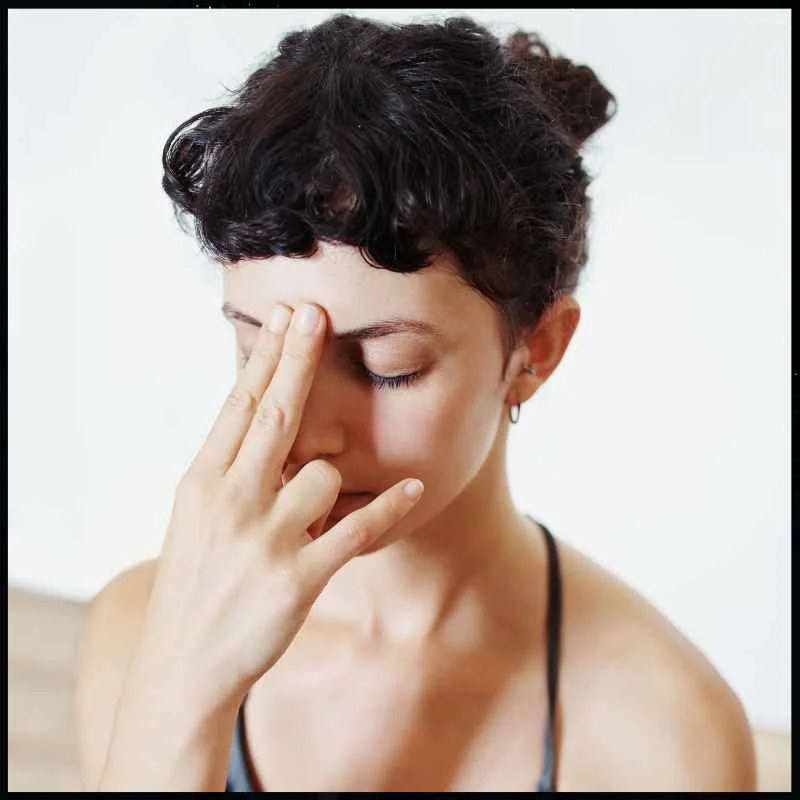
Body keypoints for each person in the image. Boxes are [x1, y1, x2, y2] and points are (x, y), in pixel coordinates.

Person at [73, 13, 756, 792]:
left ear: (535, 351)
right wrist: (184, 687)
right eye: (260, 346)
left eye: (384, 365)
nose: (302, 430)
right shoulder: (140, 633)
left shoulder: (663, 736)